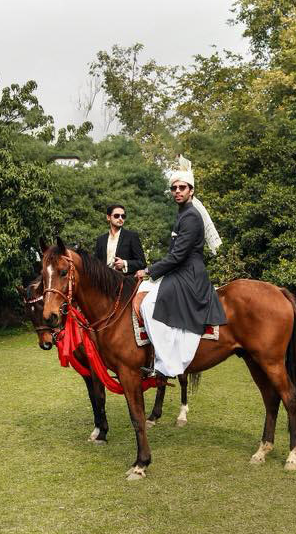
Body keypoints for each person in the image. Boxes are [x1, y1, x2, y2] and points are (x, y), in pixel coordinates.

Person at [134, 156, 226, 378]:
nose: (177, 191)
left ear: (191, 191)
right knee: (142, 292)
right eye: (174, 188)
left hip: (189, 274)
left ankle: (167, 364)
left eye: (182, 187)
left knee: (148, 305)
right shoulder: (183, 214)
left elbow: (177, 256)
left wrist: (148, 270)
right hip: (181, 271)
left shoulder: (191, 216)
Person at [93, 204, 147, 274]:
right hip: (103, 281)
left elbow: (142, 263)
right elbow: (96, 263)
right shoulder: (101, 239)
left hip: (124, 281)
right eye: (116, 216)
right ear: (108, 217)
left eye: (123, 216)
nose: (120, 218)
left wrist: (124, 263)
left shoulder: (132, 236)